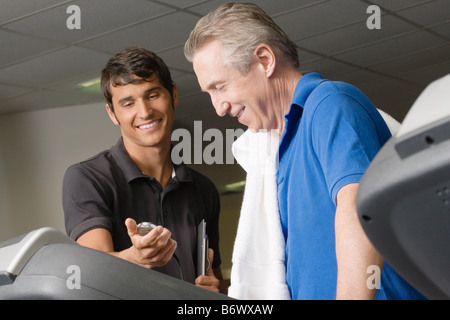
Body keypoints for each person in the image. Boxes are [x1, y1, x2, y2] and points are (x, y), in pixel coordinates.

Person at [184, 3, 426, 300]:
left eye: (220, 86)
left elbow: (359, 206)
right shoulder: (279, 150)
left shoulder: (328, 103)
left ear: (264, 60)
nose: (218, 107)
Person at [62, 47, 224, 294]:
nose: (145, 112)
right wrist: (135, 258)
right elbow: (90, 274)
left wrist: (214, 292)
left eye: (152, 95)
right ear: (112, 114)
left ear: (173, 94)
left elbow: (215, 278)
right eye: (128, 103)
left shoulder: (204, 189)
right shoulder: (87, 178)